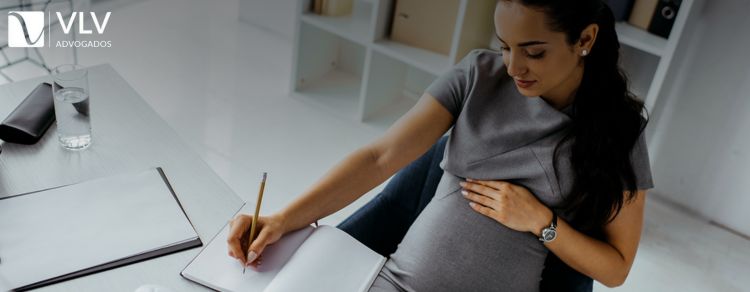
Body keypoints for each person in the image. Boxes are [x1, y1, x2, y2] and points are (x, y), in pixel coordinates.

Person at [227, 0, 654, 291]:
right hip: (392, 283)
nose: (514, 66)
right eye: (505, 46)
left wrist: (541, 220)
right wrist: (282, 219)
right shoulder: (479, 76)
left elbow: (616, 268)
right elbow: (380, 157)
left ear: (585, 39)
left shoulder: (618, 133)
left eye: (534, 52)